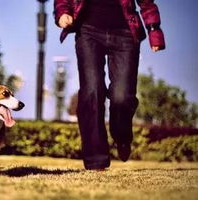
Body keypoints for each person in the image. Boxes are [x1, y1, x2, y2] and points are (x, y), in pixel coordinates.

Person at [53, 0, 165, 170]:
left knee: (122, 96)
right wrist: (62, 12)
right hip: (88, 29)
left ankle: (122, 136)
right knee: (92, 91)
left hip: (125, 32)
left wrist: (154, 30)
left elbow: (146, 2)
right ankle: (95, 160)